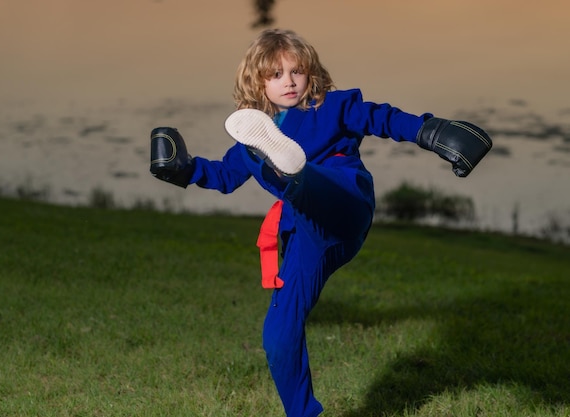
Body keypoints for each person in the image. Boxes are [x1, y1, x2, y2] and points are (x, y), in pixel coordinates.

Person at [149, 29, 492, 417]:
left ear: (312, 74)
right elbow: (224, 178)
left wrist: (431, 131)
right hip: (307, 235)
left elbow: (383, 118)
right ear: (257, 82)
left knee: (304, 177)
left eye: (298, 71)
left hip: (345, 202)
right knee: (278, 334)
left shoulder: (333, 106)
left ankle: (291, 172)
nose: (290, 81)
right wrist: (183, 169)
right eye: (276, 74)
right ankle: (303, 413)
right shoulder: (249, 138)